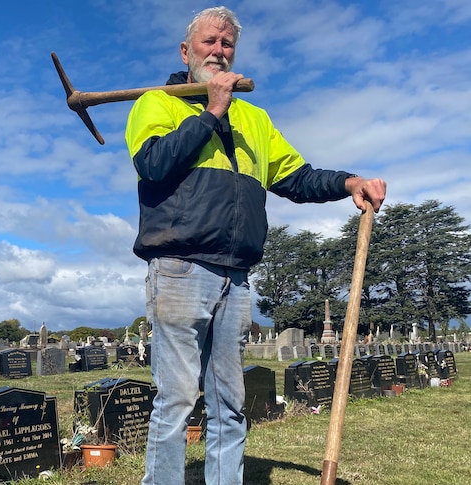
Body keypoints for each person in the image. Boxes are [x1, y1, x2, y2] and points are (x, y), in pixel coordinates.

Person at [124, 6, 387, 485]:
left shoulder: (256, 119)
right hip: (180, 268)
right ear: (187, 52)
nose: (219, 52)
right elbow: (155, 165)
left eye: (227, 45)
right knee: (177, 400)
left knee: (229, 401)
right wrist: (212, 111)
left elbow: (297, 176)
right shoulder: (155, 103)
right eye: (209, 42)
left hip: (236, 276)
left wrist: (349, 181)